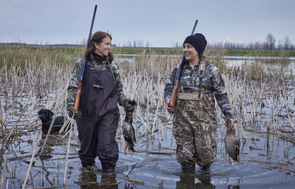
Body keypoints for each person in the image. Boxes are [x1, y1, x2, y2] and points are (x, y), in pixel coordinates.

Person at [67, 31, 135, 173]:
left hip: (108, 112)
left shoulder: (112, 65)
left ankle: (109, 176)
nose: (110, 47)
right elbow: (73, 88)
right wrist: (70, 106)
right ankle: (87, 177)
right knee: (87, 149)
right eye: (107, 44)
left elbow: (119, 91)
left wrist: (126, 102)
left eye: (110, 44)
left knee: (107, 146)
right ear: (96, 44)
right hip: (86, 112)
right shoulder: (82, 64)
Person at [164, 33, 234, 172]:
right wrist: (168, 99)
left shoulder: (211, 70)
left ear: (198, 50)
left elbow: (221, 94)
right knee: (185, 159)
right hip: (182, 122)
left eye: (189, 46)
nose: (185, 50)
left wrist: (228, 114)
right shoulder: (178, 70)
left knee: (206, 158)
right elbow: (169, 87)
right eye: (184, 47)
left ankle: (205, 177)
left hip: (204, 123)